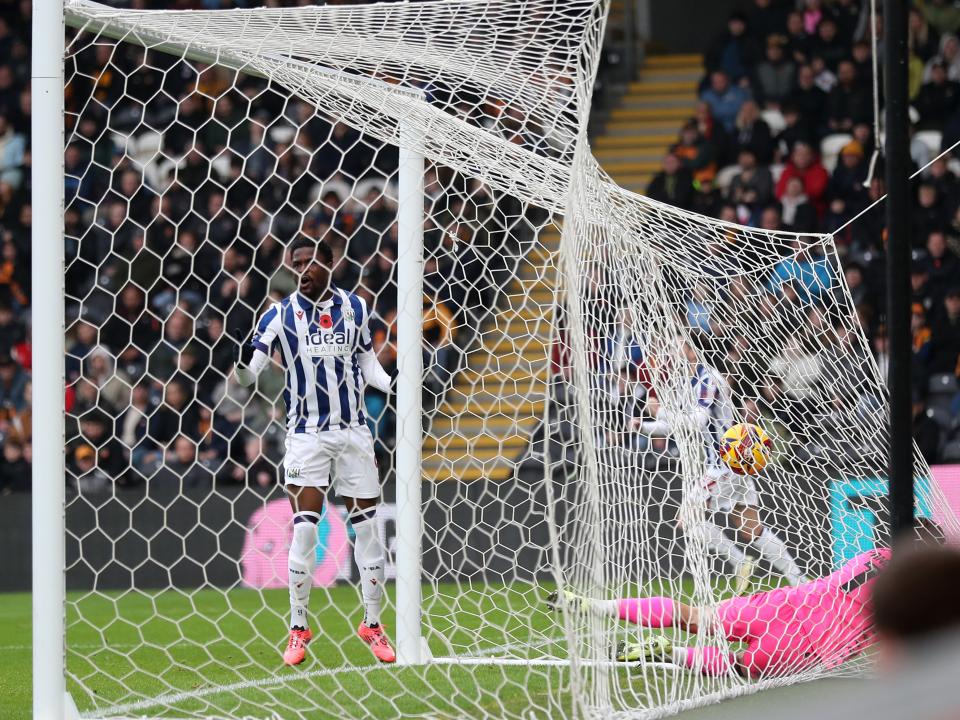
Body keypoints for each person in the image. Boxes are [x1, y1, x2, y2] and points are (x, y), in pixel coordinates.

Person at [233, 232, 395, 666]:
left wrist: (395, 385)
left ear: (330, 262)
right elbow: (251, 374)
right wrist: (242, 364)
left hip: (355, 432)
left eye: (309, 262)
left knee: (367, 533)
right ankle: (299, 628)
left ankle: (373, 624)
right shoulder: (279, 315)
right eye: (296, 264)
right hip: (306, 435)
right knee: (305, 529)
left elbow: (366, 363)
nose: (303, 271)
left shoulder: (355, 307)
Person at [548, 519, 946, 679]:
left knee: (695, 615)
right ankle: (668, 653)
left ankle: (594, 606)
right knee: (742, 667)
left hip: (790, 602)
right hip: (814, 639)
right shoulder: (911, 584)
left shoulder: (873, 555)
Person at [635, 341, 806, 591]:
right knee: (752, 529)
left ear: (693, 351)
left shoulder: (709, 378)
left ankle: (739, 561)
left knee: (688, 520)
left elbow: (697, 421)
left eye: (678, 346)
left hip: (725, 464)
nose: (672, 350)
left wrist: (660, 411)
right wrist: (645, 426)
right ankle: (800, 581)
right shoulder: (687, 382)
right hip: (733, 463)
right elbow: (679, 427)